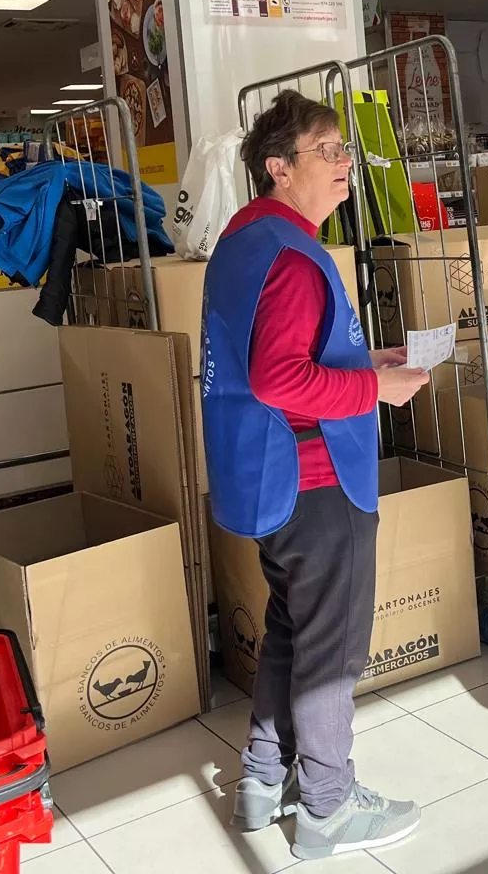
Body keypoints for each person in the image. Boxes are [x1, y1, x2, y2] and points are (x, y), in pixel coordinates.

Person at [202, 90, 431, 862]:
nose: (344, 166)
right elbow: (277, 378)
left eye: (344, 152)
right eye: (328, 152)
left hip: (264, 479)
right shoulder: (297, 256)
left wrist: (367, 360)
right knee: (332, 652)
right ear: (278, 167)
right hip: (315, 481)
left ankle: (263, 782)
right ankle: (329, 807)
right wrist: (375, 390)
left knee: (292, 633)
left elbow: (270, 359)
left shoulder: (244, 241)